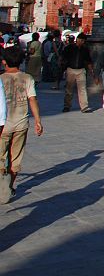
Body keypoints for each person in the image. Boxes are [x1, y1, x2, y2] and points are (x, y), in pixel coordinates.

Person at [0, 48, 43, 204]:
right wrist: (38, 120)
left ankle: (1, 186)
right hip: (21, 124)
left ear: (4, 61)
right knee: (15, 158)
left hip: (2, 125)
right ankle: (9, 187)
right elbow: (32, 100)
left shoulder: (1, 79)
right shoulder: (27, 78)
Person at [61, 33, 94, 112]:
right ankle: (67, 105)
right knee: (69, 89)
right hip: (71, 69)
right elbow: (63, 58)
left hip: (81, 70)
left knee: (82, 89)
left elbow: (88, 61)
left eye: (83, 41)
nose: (82, 42)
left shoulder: (85, 49)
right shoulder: (69, 48)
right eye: (81, 40)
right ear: (78, 40)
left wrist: (91, 71)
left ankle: (84, 107)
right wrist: (63, 68)